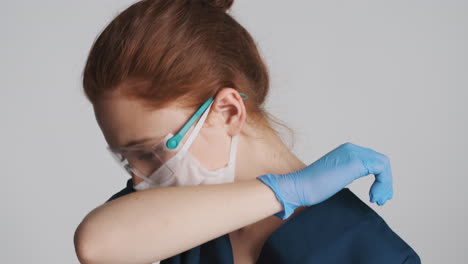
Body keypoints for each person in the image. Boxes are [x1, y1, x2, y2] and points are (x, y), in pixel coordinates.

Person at [73, 0, 421, 263]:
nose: (137, 180)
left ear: (227, 112)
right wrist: (284, 193)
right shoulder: (176, 215)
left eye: (149, 153)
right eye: (125, 159)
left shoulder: (365, 248)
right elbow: (94, 244)